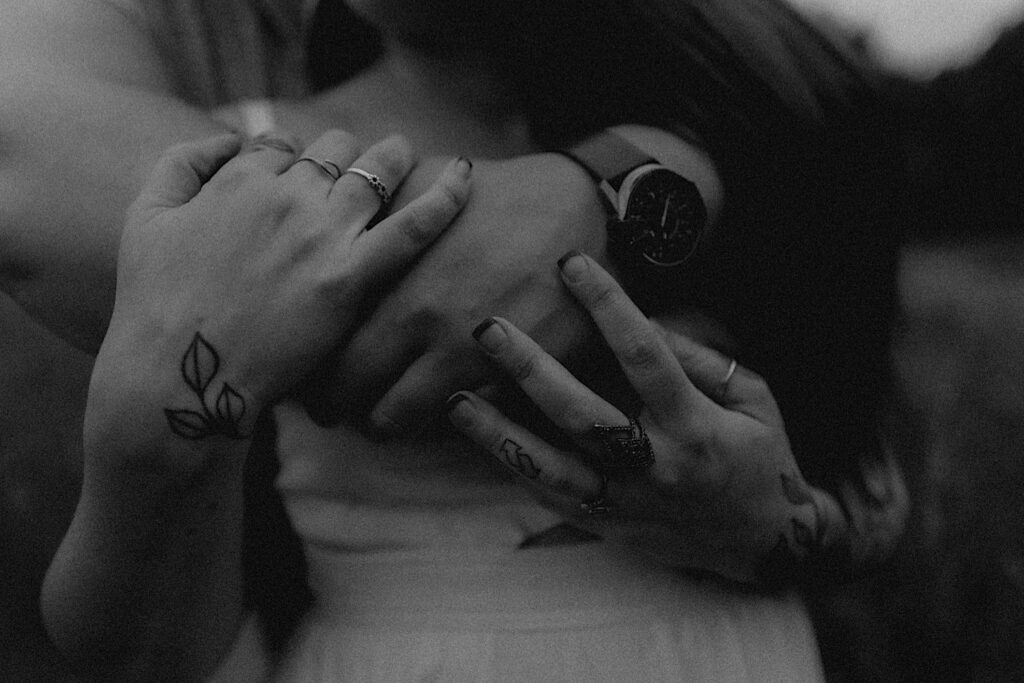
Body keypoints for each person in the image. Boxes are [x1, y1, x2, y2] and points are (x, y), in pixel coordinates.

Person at [10, 0, 908, 680]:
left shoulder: (755, 125)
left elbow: (882, 484)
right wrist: (150, 438)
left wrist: (780, 525)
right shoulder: (241, 170)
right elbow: (137, 647)